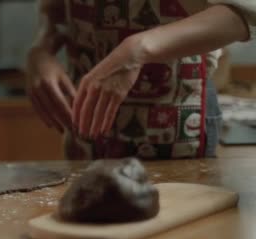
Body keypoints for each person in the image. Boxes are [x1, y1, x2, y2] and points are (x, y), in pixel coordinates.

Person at [26, 0, 256, 160]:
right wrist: (40, 51)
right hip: (86, 125)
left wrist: (139, 48)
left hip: (176, 122)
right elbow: (55, 10)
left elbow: (243, 12)